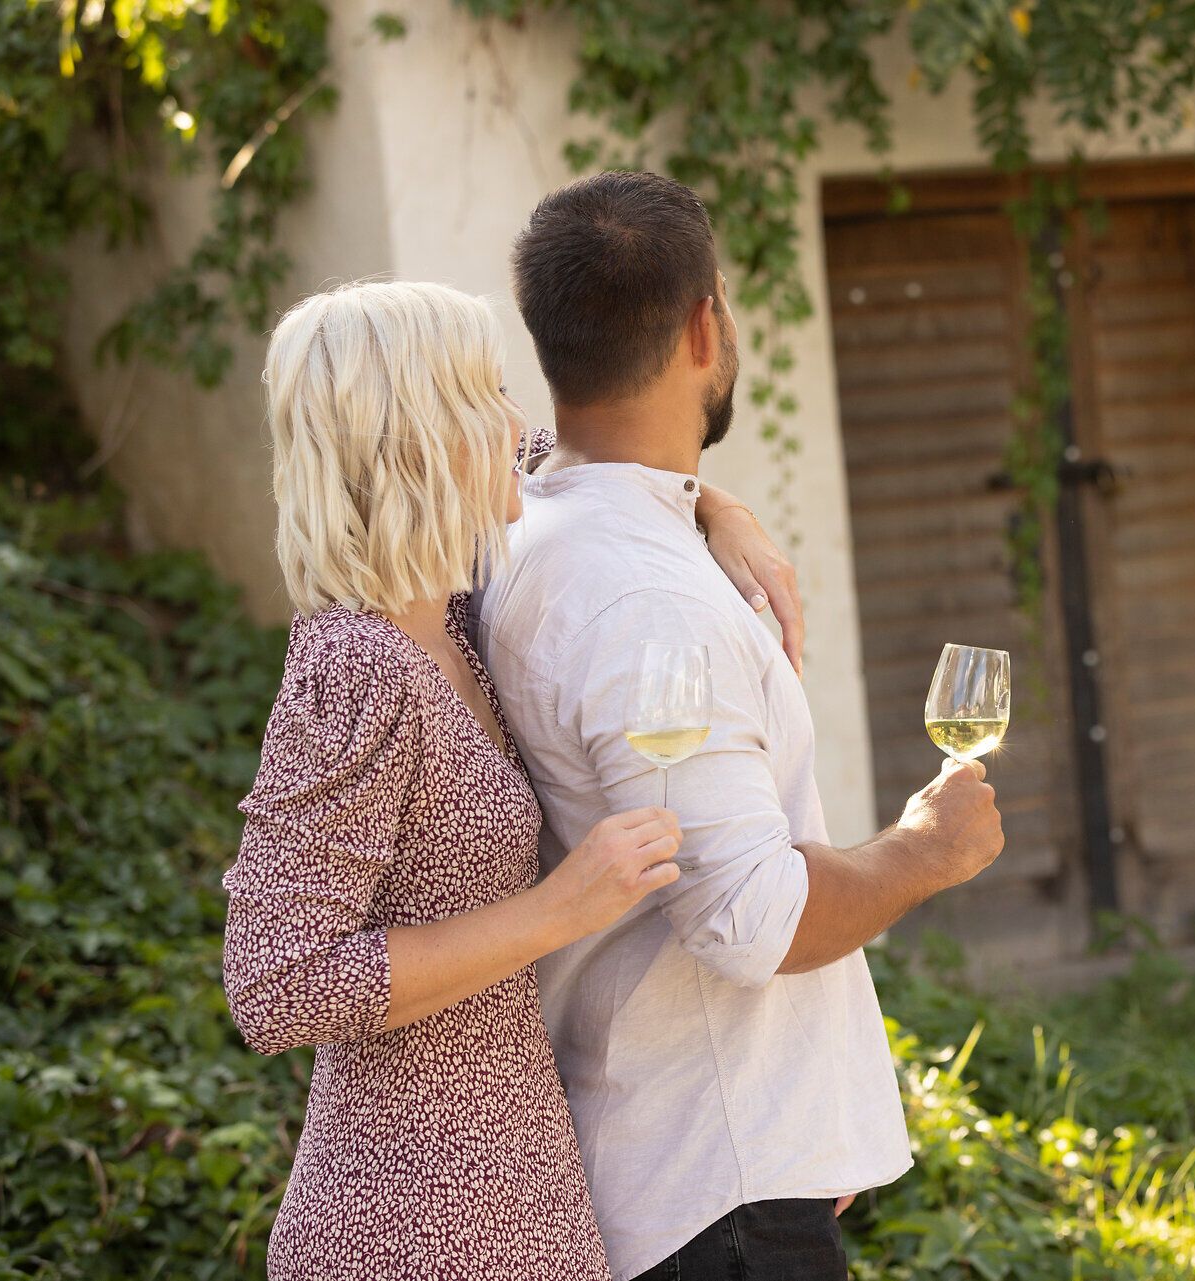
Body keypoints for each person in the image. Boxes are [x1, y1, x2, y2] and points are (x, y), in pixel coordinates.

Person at [474, 171, 1007, 1281]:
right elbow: (752, 922)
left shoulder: (526, 534)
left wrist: (705, 499)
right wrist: (928, 851)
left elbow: (562, 471)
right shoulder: (651, 606)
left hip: (685, 1160)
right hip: (715, 1196)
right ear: (704, 324)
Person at [220, 279, 806, 1280]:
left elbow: (563, 462)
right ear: (421, 440)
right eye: (487, 396)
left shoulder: (448, 615)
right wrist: (557, 910)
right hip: (409, 1225)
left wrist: (713, 505)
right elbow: (278, 985)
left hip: (521, 1193)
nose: (518, 423)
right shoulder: (356, 666)